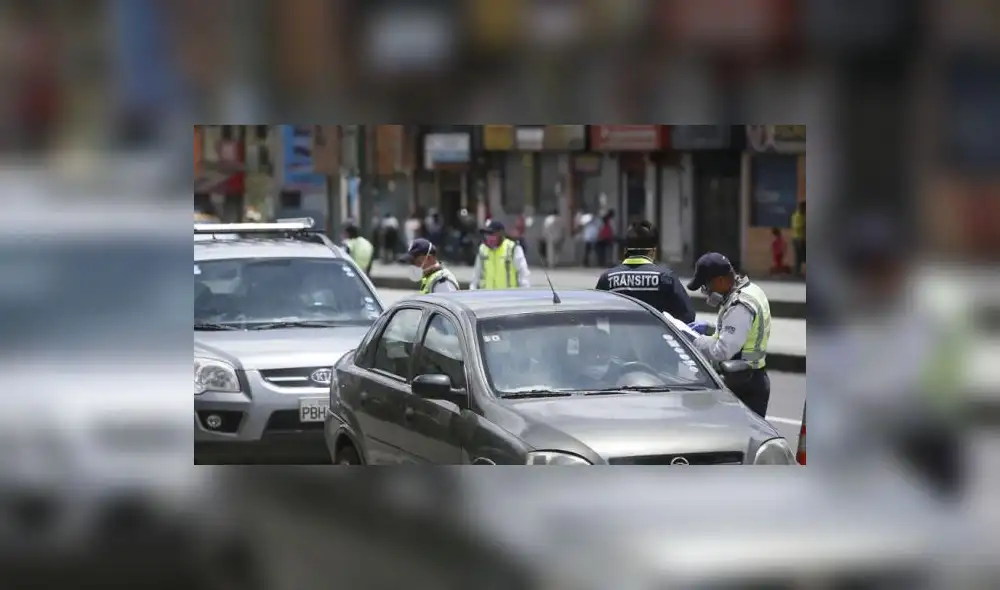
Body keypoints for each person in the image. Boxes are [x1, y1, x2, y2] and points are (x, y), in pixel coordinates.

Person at [685, 253, 771, 419]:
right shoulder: (751, 290)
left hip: (744, 383)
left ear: (720, 280)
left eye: (706, 286)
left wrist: (694, 341)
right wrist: (710, 329)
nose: (706, 291)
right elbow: (742, 332)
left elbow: (723, 351)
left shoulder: (740, 305)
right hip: (751, 377)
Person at [595, 221, 696, 323]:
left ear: (625, 250)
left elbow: (594, 315)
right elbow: (687, 316)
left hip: (617, 338)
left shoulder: (607, 279)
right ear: (652, 252)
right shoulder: (665, 278)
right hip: (655, 338)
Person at [470, 219, 531, 290]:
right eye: (488, 234)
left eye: (493, 234)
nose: (489, 237)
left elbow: (523, 274)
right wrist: (472, 290)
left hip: (509, 298)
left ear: (501, 235)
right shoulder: (483, 249)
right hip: (487, 298)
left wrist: (524, 293)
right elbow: (476, 275)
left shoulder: (513, 248)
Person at [791, 202, 806, 276]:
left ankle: (797, 271)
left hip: (797, 238)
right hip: (798, 239)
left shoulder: (796, 215)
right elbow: (798, 227)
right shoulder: (799, 216)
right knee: (800, 256)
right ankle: (797, 272)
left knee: (800, 256)